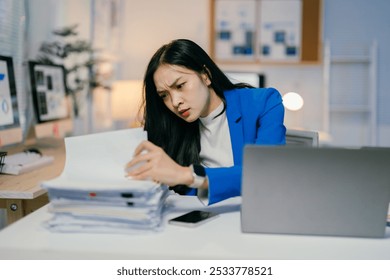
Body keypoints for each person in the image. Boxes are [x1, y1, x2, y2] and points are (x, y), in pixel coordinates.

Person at [125, 39, 286, 205]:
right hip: (202, 219)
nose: (174, 102)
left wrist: (187, 175)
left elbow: (265, 173)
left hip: (256, 212)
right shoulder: (175, 126)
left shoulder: (264, 102)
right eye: (164, 95)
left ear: (206, 75)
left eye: (180, 86)